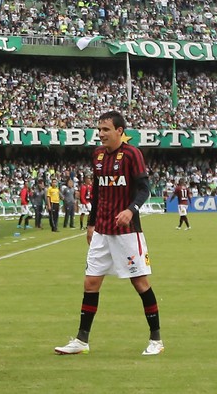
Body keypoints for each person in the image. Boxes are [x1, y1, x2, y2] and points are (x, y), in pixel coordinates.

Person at [54, 110, 164, 356]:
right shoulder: (98, 155)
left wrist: (131, 210)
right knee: (91, 283)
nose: (101, 134)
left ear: (120, 131)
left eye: (106, 129)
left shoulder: (132, 154)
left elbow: (145, 189)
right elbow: (97, 192)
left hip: (127, 231)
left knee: (140, 282)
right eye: (99, 129)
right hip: (102, 230)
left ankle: (156, 339)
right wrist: (91, 223)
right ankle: (82, 340)